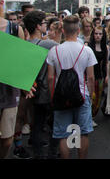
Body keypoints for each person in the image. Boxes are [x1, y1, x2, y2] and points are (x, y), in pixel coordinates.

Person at [46, 15, 97, 159]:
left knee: (63, 133)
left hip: (61, 96)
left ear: (63, 30)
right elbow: (91, 77)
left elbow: (50, 77)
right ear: (78, 30)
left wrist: (53, 96)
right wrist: (90, 95)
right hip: (82, 95)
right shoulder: (86, 51)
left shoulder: (54, 51)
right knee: (83, 132)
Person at [23, 10, 59, 159]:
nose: (46, 26)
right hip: (47, 90)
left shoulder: (24, 44)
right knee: (55, 124)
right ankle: (52, 152)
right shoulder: (48, 44)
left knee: (37, 123)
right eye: (44, 23)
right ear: (38, 26)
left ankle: (37, 153)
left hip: (32, 89)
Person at [0, 0, 26, 159]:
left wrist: (26, 83)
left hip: (9, 89)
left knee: (7, 139)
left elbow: (22, 62)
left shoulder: (14, 28)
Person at [87, 26, 108, 125]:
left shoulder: (105, 47)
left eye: (100, 34)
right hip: (90, 76)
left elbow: (106, 63)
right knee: (90, 97)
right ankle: (87, 117)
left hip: (100, 76)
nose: (98, 36)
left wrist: (107, 75)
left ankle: (92, 116)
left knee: (98, 98)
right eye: (96, 34)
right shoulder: (88, 46)